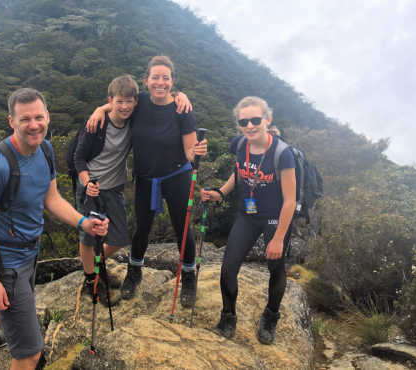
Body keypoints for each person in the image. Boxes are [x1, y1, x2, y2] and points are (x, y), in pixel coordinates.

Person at [0, 88, 109, 369]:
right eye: (25, 119)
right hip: (7, 262)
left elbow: (51, 198)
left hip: (30, 251)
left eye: (38, 117)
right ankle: (6, 342)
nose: (34, 125)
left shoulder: (44, 149)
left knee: (7, 301)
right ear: (12, 121)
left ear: (48, 116)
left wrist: (83, 222)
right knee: (30, 353)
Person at [87, 56, 207, 308]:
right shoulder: (139, 102)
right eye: (155, 77)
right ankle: (134, 271)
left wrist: (196, 153)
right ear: (146, 81)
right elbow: (118, 105)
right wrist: (100, 109)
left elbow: (188, 151)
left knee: (182, 227)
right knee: (142, 227)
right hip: (145, 178)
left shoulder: (182, 109)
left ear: (172, 81)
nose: (160, 82)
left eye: (165, 78)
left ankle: (188, 276)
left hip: (177, 176)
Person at [201, 96, 296, 345]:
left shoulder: (282, 154)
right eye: (244, 122)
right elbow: (239, 174)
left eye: (255, 120)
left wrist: (277, 239)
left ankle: (271, 315)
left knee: (276, 267)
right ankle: (228, 317)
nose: (250, 126)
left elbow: (290, 200)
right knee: (228, 268)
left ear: (267, 120)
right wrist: (220, 192)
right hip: (248, 214)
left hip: (275, 218)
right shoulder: (239, 145)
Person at [74, 75, 138, 301]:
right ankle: (91, 278)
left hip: (114, 189)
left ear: (135, 102)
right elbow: (79, 158)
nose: (124, 106)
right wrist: (86, 182)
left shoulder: (133, 119)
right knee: (89, 237)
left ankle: (95, 265)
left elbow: (159, 100)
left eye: (129, 101)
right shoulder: (97, 124)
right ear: (110, 100)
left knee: (119, 238)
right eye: (119, 101)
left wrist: (180, 96)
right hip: (92, 189)